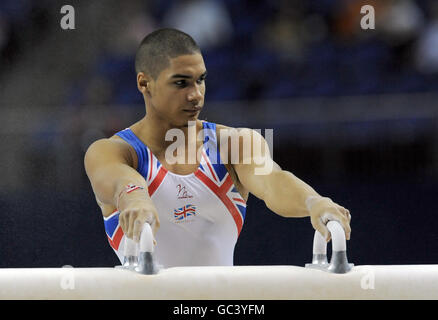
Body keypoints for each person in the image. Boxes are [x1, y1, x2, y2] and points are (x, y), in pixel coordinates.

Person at [84, 28, 351, 267]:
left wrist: (313, 201)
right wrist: (135, 198)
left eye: (200, 79)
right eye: (181, 82)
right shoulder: (110, 152)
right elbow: (124, 183)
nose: (195, 94)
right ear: (144, 83)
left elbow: (271, 180)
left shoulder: (235, 143)